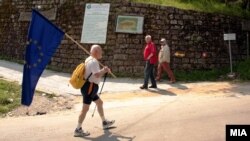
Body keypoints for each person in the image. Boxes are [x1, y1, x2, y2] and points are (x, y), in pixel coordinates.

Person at [74, 45, 115, 137]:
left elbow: (94, 73)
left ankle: (104, 122)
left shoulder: (89, 59)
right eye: (100, 51)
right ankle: (78, 129)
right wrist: (104, 70)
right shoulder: (93, 62)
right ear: (96, 52)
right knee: (85, 109)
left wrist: (103, 70)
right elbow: (96, 75)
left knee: (99, 103)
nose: (102, 53)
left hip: (90, 87)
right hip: (90, 87)